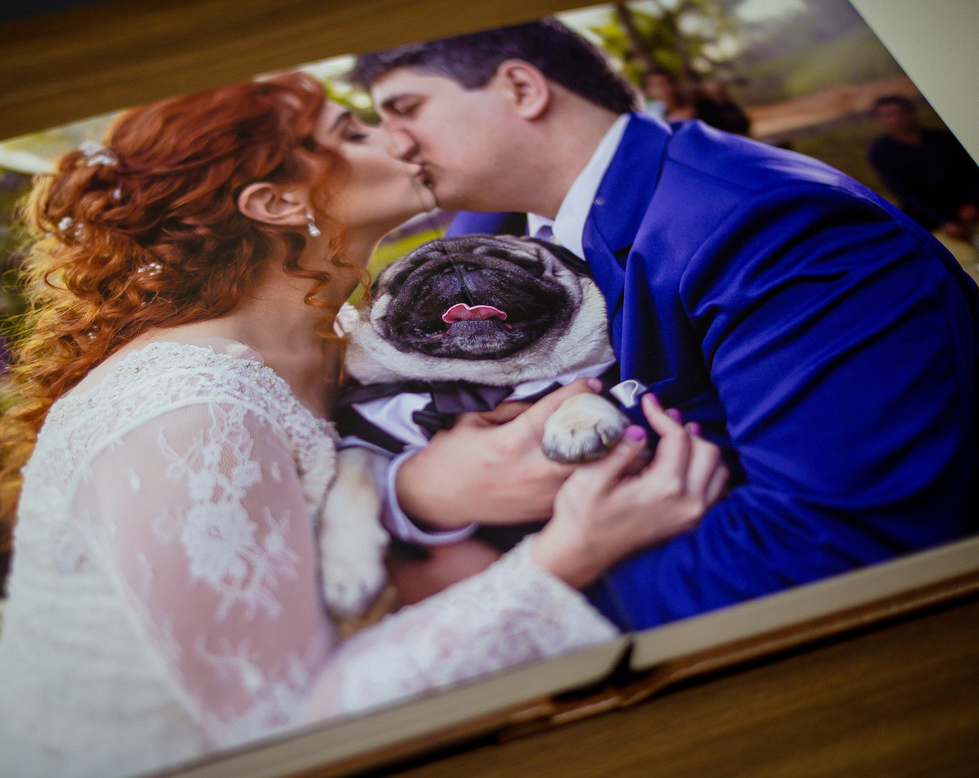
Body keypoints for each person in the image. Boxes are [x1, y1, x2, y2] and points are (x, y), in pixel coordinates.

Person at [0, 73, 726, 778]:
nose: (397, 135)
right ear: (278, 203)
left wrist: (414, 490)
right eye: (353, 132)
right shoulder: (187, 412)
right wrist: (570, 553)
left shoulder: (340, 337)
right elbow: (279, 728)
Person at [347, 20, 979, 630]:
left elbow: (834, 543)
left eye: (406, 109)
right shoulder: (484, 232)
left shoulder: (777, 230)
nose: (394, 143)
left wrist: (500, 595)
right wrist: (415, 492)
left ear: (522, 88)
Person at [867, 94, 979, 265]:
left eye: (902, 112)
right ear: (880, 119)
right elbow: (904, 193)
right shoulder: (881, 152)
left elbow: (972, 173)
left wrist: (972, 203)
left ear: (912, 112)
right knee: (964, 260)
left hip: (970, 211)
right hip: (931, 222)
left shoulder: (943, 139)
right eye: (888, 115)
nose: (897, 118)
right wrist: (943, 223)